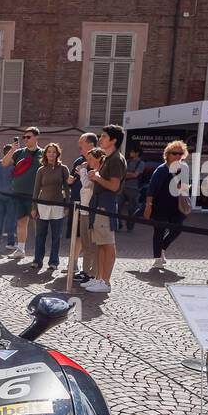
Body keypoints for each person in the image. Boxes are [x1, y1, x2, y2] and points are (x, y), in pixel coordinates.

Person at [83, 125, 126, 293]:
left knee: (108, 244)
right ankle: (99, 278)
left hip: (105, 205)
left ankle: (106, 282)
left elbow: (114, 186)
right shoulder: (108, 157)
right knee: (101, 244)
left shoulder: (116, 159)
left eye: (104, 137)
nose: (100, 139)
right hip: (99, 204)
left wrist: (97, 177)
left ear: (113, 140)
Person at [144, 139, 189, 270]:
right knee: (159, 230)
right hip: (160, 205)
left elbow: (185, 187)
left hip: (176, 206)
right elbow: (152, 189)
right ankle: (157, 258)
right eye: (174, 153)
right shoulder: (161, 169)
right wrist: (148, 205)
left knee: (178, 228)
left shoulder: (183, 168)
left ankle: (162, 247)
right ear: (167, 154)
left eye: (180, 153)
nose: (178, 156)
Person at [3, 127, 43, 258]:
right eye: (24, 137)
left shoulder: (43, 153)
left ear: (36, 137)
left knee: (39, 224)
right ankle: (20, 249)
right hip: (19, 193)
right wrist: (12, 150)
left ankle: (39, 253)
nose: (25, 139)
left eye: (28, 137)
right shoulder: (19, 152)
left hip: (36, 195)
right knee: (21, 222)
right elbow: (4, 163)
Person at [31, 143, 70, 271]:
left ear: (58, 153)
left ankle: (54, 262)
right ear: (45, 154)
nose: (51, 154)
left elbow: (66, 188)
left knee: (56, 236)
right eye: (49, 152)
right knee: (40, 235)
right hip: (42, 206)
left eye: (54, 152)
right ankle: (37, 260)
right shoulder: (41, 170)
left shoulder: (63, 169)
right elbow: (36, 190)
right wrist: (34, 207)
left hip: (58, 206)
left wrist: (67, 205)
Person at [67, 131, 98, 277]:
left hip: (88, 205)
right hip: (76, 202)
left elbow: (89, 184)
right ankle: (73, 263)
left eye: (82, 143)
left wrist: (83, 172)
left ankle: (89, 271)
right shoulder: (78, 160)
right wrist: (70, 181)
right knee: (76, 233)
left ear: (91, 145)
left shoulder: (97, 161)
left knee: (89, 238)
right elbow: (73, 178)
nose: (79, 146)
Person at [73, 148, 104, 285]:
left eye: (91, 159)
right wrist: (82, 172)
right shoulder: (89, 172)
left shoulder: (98, 173)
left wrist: (82, 171)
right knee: (85, 243)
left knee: (93, 244)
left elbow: (87, 185)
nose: (88, 161)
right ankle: (85, 271)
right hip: (84, 211)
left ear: (98, 159)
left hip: (93, 212)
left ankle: (92, 273)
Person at [123, 145, 144, 232]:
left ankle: (130, 226)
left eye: (132, 152)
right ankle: (118, 224)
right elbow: (122, 172)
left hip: (133, 189)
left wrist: (125, 175)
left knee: (132, 209)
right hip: (123, 187)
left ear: (137, 153)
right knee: (117, 205)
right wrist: (129, 174)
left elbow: (135, 175)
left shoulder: (141, 163)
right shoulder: (127, 161)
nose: (130, 153)